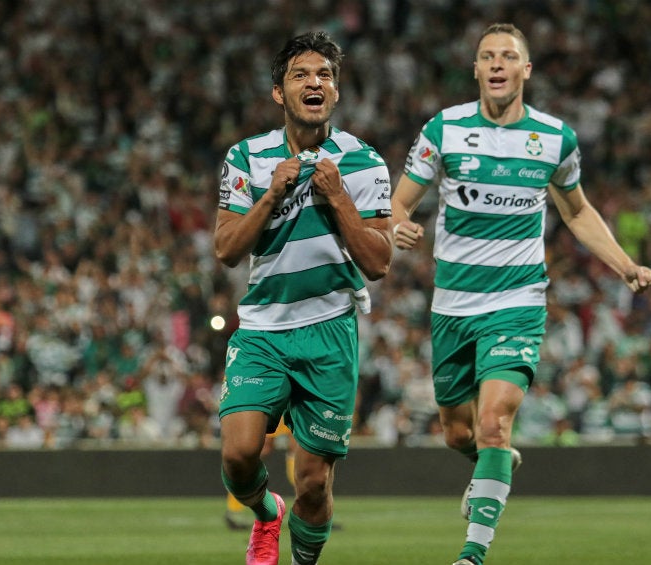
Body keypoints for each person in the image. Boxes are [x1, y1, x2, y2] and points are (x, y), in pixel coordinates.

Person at [391, 23, 651, 565]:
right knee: (458, 432)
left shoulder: (555, 139)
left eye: (507, 56)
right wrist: (395, 226)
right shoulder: (444, 130)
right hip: (452, 306)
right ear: (476, 70)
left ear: (524, 70)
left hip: (517, 302)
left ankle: (472, 555)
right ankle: (497, 462)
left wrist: (624, 265)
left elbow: (576, 211)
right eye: (486, 56)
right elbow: (398, 205)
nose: (496, 64)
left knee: (494, 422)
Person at [214, 31, 393, 565]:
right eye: (300, 75)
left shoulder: (364, 164)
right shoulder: (247, 156)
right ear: (279, 93)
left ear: (335, 92)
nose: (314, 82)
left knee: (313, 485)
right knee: (240, 455)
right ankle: (267, 512)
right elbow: (226, 249)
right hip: (263, 329)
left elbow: (379, 262)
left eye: (325, 75)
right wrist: (271, 193)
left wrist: (338, 198)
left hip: (330, 330)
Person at [225, 419, 297, 530]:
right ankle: (234, 508)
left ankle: (313, 510)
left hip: (295, 404)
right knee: (262, 447)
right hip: (277, 404)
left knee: (297, 445)